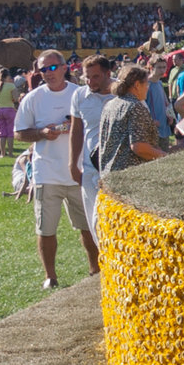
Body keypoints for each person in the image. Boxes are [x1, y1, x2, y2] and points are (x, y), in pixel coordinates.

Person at [15, 49, 99, 290]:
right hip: (46, 172)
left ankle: (95, 269)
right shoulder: (33, 98)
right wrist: (41, 133)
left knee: (87, 225)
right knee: (45, 228)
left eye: (52, 68)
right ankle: (50, 276)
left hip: (79, 171)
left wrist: (74, 126)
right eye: (43, 69)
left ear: (65, 68)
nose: (48, 73)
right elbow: (19, 132)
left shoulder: (80, 94)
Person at [69, 55, 116, 243]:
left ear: (108, 74)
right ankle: (103, 265)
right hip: (90, 169)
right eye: (86, 77)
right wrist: (73, 164)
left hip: (118, 168)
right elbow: (76, 130)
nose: (90, 82)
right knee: (95, 222)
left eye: (95, 77)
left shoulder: (124, 92)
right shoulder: (80, 95)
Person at [97, 64, 168, 174]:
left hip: (109, 174)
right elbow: (139, 147)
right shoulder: (135, 106)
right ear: (137, 85)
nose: (147, 87)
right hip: (129, 176)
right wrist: (165, 156)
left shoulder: (110, 104)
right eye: (146, 83)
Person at [0, 66, 20, 158]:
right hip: (9, 109)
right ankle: (11, 153)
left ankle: (2, 153)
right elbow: (16, 99)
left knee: (1, 132)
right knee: (10, 132)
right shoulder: (11, 86)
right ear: (7, 76)